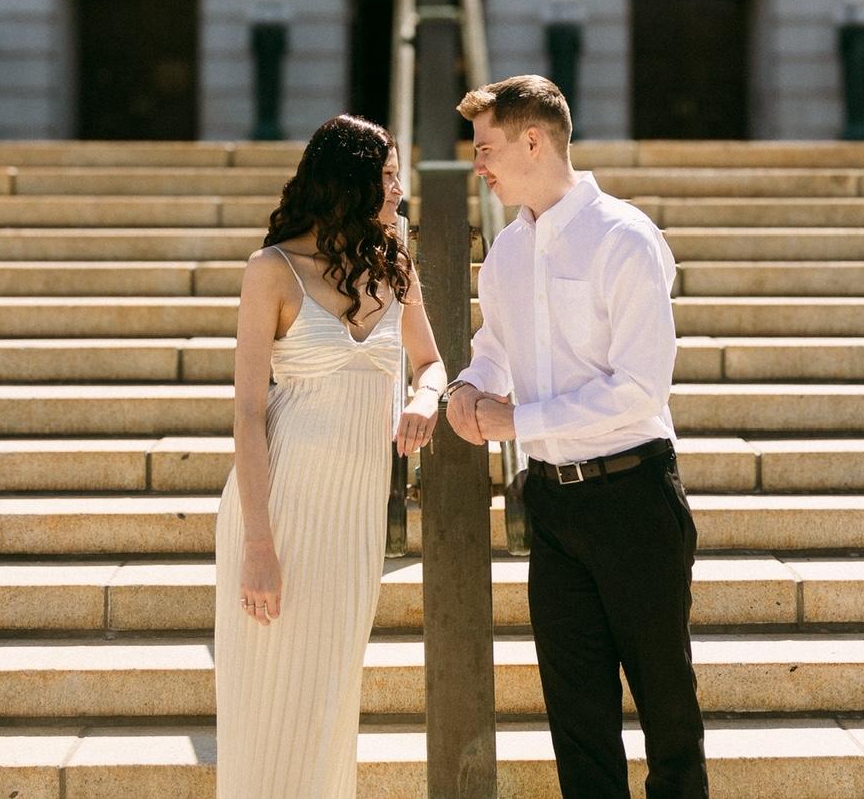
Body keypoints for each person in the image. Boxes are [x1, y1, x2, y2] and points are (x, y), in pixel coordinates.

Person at [445, 76, 709, 799]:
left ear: (533, 141)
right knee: (577, 719)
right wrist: (468, 386)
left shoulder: (624, 238)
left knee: (667, 709)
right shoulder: (507, 250)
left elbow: (640, 389)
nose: (477, 164)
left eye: (486, 147)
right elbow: (496, 348)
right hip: (553, 509)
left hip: (634, 498)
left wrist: (515, 422)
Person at [214, 114, 445, 799]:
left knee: (329, 699)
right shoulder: (271, 271)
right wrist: (259, 546)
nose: (399, 190)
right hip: (279, 509)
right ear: (348, 182)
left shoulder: (395, 261)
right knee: (266, 706)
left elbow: (431, 363)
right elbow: (248, 413)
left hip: (353, 516)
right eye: (387, 177)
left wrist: (425, 399)